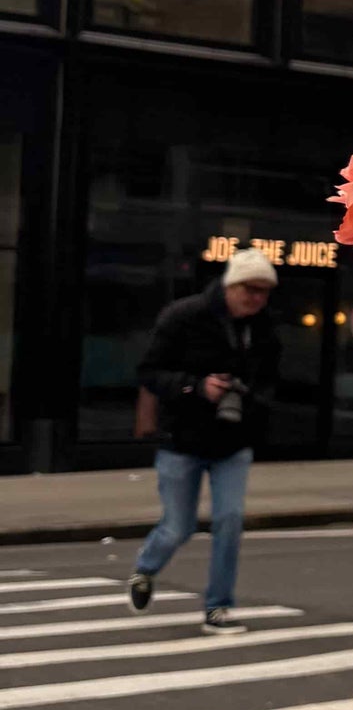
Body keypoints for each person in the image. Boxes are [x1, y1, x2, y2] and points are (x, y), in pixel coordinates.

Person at [129, 249, 282, 632]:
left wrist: (250, 398)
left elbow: (270, 381)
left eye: (265, 291)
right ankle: (145, 568)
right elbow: (148, 372)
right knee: (178, 527)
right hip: (181, 438)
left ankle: (218, 606)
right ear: (231, 286)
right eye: (251, 289)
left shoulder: (264, 328)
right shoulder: (184, 316)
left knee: (229, 521)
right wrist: (195, 387)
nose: (257, 298)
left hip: (233, 440)